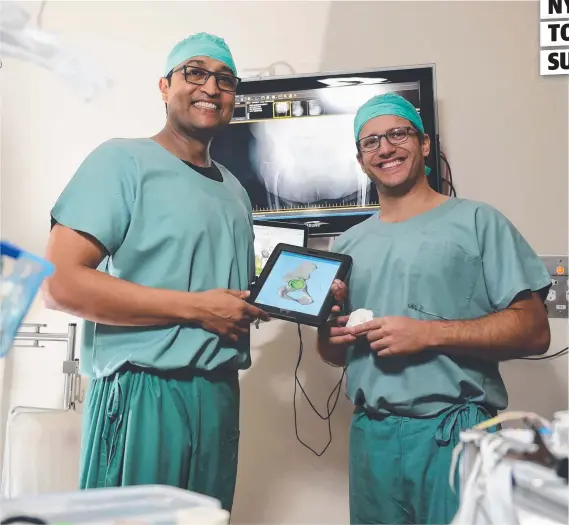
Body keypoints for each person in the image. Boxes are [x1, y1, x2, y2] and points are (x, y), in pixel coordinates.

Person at [43, 32, 269, 512]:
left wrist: (285, 299)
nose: (211, 86)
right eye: (196, 72)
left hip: (218, 397)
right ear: (164, 87)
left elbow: (217, 289)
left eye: (225, 79)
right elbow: (59, 282)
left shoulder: (235, 192)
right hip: (145, 390)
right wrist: (199, 309)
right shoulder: (122, 162)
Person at [318, 93, 552, 525]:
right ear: (360, 158)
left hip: (456, 433)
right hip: (373, 439)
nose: (385, 148)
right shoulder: (348, 244)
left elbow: (535, 330)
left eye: (397, 133)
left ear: (424, 144)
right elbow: (335, 355)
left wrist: (427, 333)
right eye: (371, 142)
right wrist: (328, 335)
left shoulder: (478, 222)